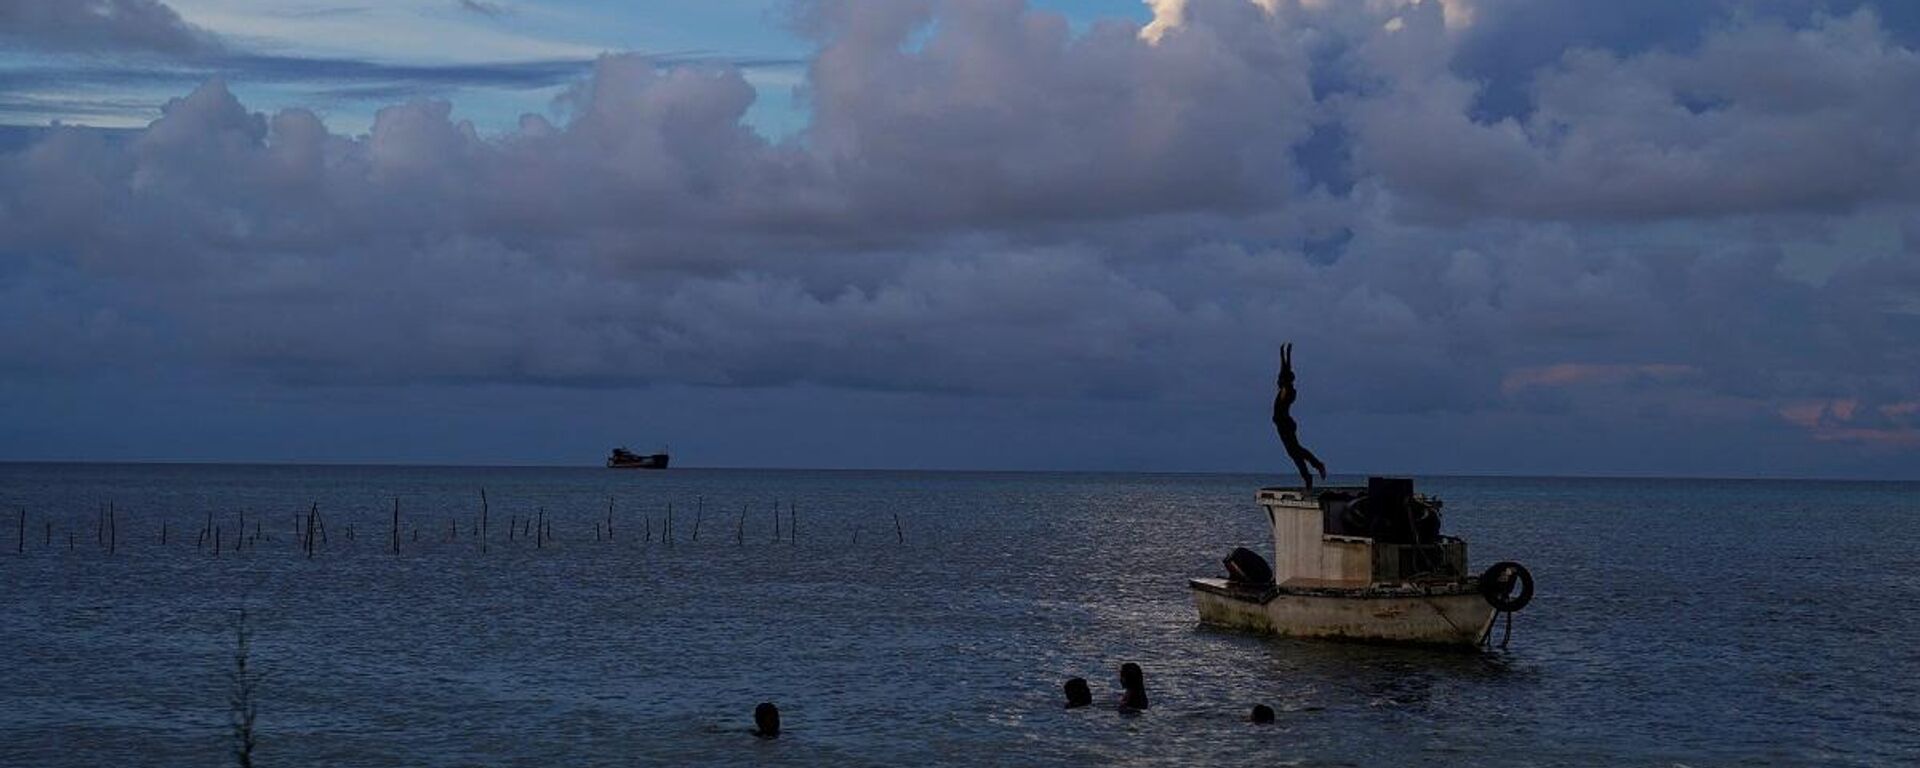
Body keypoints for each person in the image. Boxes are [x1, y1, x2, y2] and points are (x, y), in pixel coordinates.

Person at [1272, 343, 1327, 490]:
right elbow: (1285, 370)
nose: (1277, 381)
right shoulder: (1286, 388)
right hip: (1284, 424)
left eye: (1279, 380)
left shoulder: (1287, 390)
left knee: (1295, 451)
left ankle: (1317, 466)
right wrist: (1284, 354)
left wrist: (1285, 356)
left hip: (1285, 424)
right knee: (1294, 452)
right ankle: (1308, 476)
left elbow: (1285, 373)